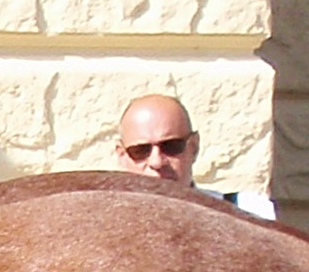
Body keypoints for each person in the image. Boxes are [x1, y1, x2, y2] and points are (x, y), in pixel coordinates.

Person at [113, 93, 276, 220]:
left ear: (194, 147)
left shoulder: (248, 213)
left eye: (171, 146)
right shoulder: (103, 225)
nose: (157, 161)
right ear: (122, 155)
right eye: (141, 150)